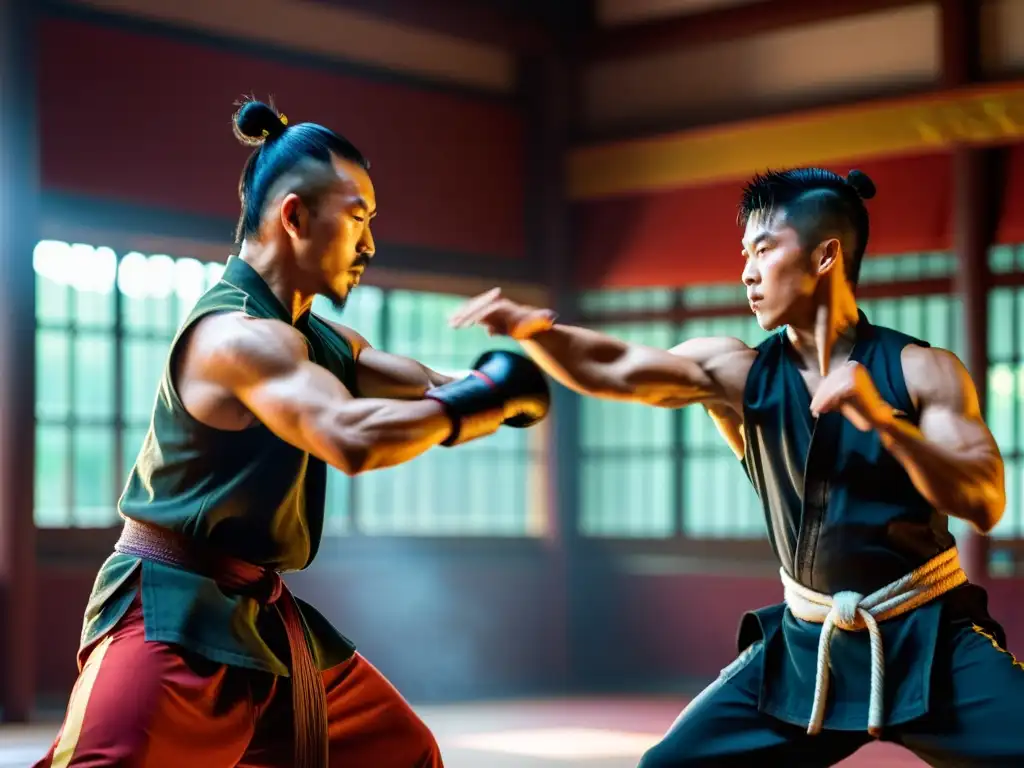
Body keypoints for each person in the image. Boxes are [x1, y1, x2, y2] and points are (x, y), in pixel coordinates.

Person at [35, 100, 550, 768]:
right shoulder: (236, 337)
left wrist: (516, 377)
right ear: (295, 216)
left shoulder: (314, 339)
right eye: (358, 217)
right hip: (169, 613)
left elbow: (418, 382)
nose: (369, 244)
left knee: (402, 754)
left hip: (263, 623)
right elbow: (349, 434)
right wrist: (486, 398)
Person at [451, 167, 1024, 766]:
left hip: (930, 641)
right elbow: (619, 366)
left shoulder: (922, 371)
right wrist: (533, 331)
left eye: (764, 249)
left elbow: (983, 501)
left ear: (826, 254)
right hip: (807, 648)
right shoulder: (737, 372)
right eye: (743, 252)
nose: (746, 272)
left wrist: (884, 422)